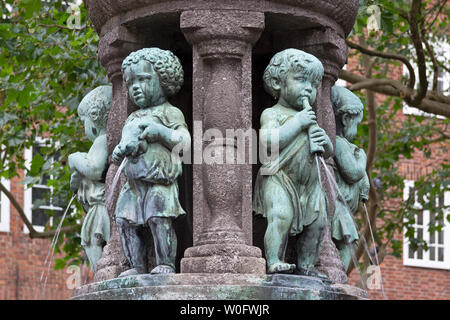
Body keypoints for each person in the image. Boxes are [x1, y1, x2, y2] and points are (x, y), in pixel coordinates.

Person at [253, 49, 333, 277]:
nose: (308, 88)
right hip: (279, 177)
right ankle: (274, 259)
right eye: (300, 80)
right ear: (278, 82)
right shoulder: (273, 113)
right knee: (281, 215)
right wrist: (298, 122)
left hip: (309, 185)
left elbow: (327, 152)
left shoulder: (310, 120)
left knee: (317, 225)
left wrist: (324, 142)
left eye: (313, 84)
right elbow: (268, 140)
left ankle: (307, 265)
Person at [112, 48, 191, 277]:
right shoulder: (132, 117)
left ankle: (166, 262)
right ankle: (136, 266)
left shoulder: (170, 112)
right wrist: (120, 150)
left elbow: (184, 142)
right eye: (130, 82)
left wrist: (160, 133)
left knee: (159, 219)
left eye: (144, 79)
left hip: (160, 181)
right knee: (124, 221)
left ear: (164, 81)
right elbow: (127, 143)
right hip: (134, 183)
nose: (135, 87)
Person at [68, 85, 112, 272]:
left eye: (83, 121)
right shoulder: (100, 142)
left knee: (93, 238)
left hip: (101, 207)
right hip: (97, 207)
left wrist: (75, 158)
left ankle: (102, 274)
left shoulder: (102, 140)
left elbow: (94, 169)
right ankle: (101, 273)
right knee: (91, 239)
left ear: (94, 118)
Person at [331, 85, 370, 271]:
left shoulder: (345, 144)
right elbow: (353, 172)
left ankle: (337, 278)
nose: (358, 128)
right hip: (337, 206)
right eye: (357, 123)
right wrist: (362, 158)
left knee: (348, 245)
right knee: (347, 244)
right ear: (346, 119)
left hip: (344, 207)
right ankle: (337, 278)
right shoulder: (338, 144)